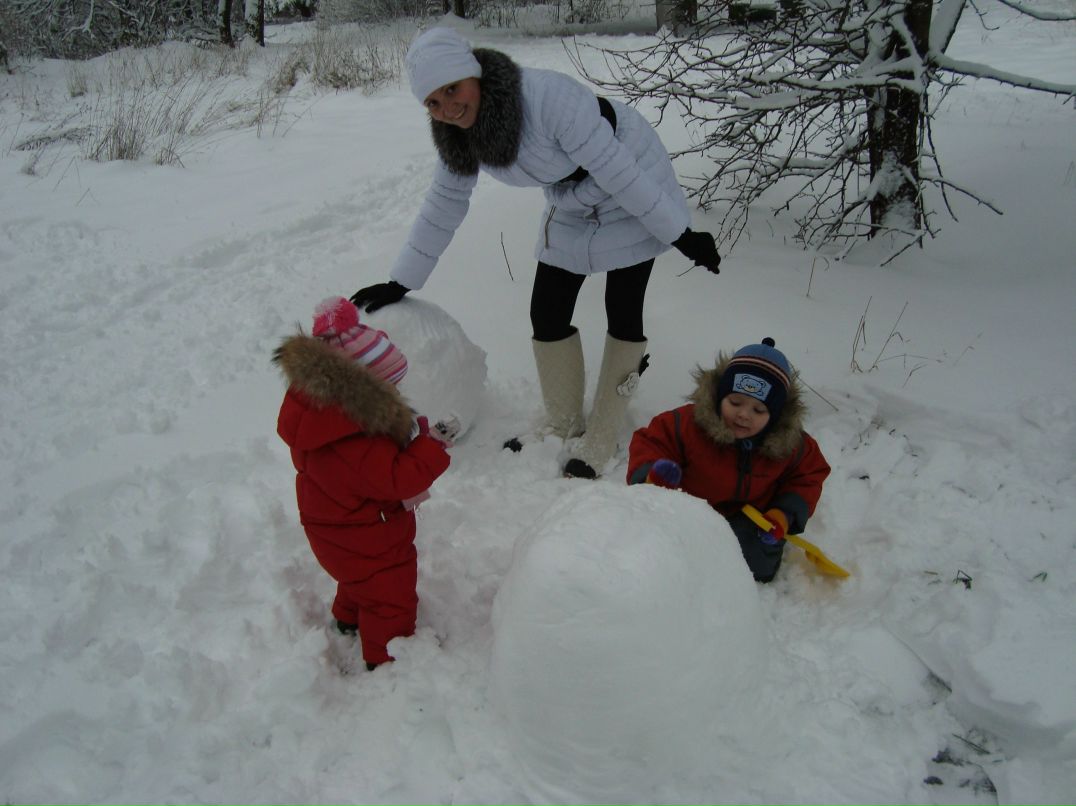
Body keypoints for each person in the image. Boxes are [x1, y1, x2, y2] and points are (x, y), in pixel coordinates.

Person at [351, 26, 722, 480]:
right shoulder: (456, 136)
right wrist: (402, 279)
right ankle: (563, 423)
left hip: (630, 173)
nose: (447, 107)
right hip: (570, 195)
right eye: (432, 101)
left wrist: (681, 233)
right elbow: (445, 203)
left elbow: (619, 172)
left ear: (475, 75)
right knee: (547, 309)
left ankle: (603, 432)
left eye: (452, 89)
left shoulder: (549, 100)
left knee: (622, 307)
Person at [274, 296, 452, 670]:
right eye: (390, 389)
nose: (397, 395)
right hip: (368, 538)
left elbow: (378, 457)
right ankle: (387, 657)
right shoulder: (352, 442)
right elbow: (398, 479)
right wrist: (431, 449)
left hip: (342, 537)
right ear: (364, 393)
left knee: (360, 581)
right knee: (390, 595)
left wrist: (410, 435)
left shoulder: (327, 423)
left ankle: (347, 618)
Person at [626, 338, 831, 582]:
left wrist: (782, 515)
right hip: (686, 509)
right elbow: (652, 442)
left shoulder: (791, 444)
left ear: (776, 416)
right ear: (719, 396)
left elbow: (807, 476)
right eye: (735, 402)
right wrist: (653, 475)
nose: (744, 414)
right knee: (663, 553)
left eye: (758, 410)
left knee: (758, 566)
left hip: (746, 518)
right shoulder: (688, 424)